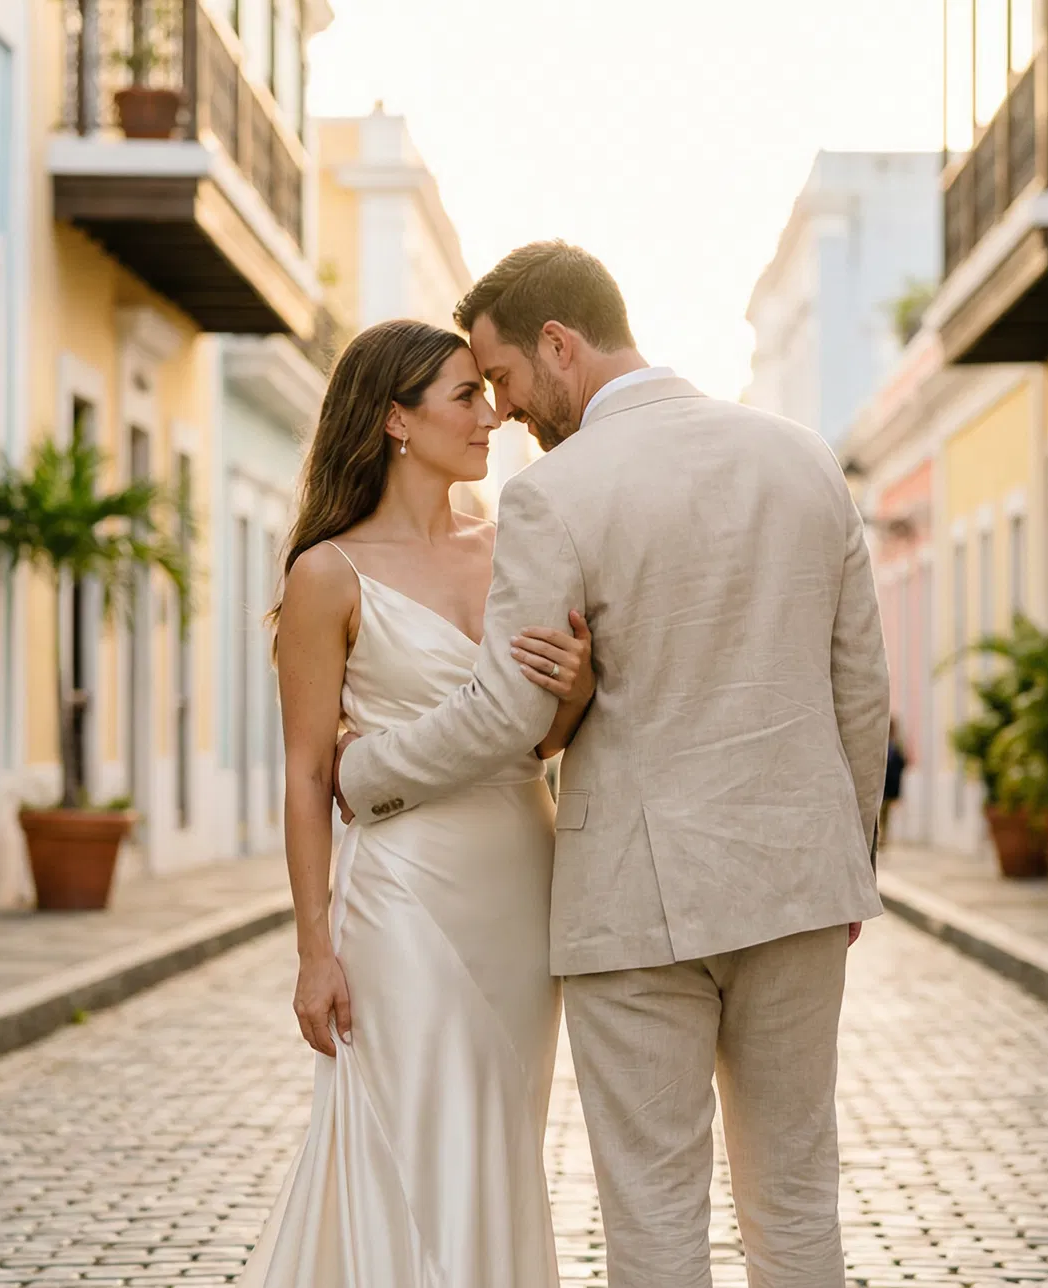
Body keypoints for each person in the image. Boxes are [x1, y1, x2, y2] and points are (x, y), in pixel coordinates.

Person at [333, 241, 890, 1288]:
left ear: (559, 343)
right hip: (801, 884)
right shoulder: (803, 458)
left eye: (503, 378)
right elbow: (859, 685)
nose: (506, 412)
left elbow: (507, 710)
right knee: (796, 1203)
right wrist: (850, 857)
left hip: (637, 907)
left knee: (654, 1216)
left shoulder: (555, 492)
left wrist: (363, 773)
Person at [241, 319, 595, 1285]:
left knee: (503, 1136)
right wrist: (314, 949)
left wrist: (575, 690)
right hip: (400, 894)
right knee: (418, 1134)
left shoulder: (514, 547)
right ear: (396, 419)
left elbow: (538, 739)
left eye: (488, 392)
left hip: (521, 887)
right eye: (465, 395)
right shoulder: (327, 574)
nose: (492, 415)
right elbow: (307, 773)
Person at [882, 715, 908, 848]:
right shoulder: (883, 743)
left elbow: (902, 764)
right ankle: (882, 837)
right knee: (882, 813)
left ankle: (883, 838)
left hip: (889, 786)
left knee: (885, 813)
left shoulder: (896, 745)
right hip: (883, 786)